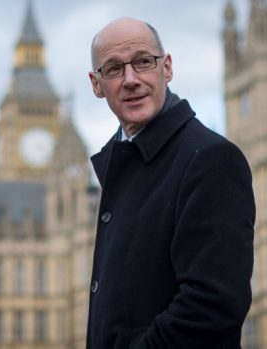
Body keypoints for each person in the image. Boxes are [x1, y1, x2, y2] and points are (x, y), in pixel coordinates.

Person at [86, 17, 255, 349]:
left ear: (167, 68)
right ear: (96, 84)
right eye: (114, 69)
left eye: (143, 62)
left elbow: (212, 306)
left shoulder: (211, 159)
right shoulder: (124, 160)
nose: (131, 79)